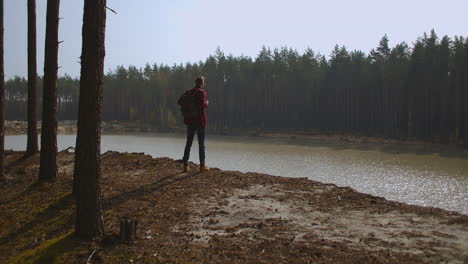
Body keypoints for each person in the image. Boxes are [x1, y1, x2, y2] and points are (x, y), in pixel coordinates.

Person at [177, 76, 209, 172]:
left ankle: (185, 165)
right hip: (199, 121)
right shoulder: (201, 92)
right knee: (201, 144)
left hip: (190, 121)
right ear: (202, 83)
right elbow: (202, 105)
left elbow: (179, 102)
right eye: (203, 82)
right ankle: (202, 166)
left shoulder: (188, 92)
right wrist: (206, 103)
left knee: (188, 143)